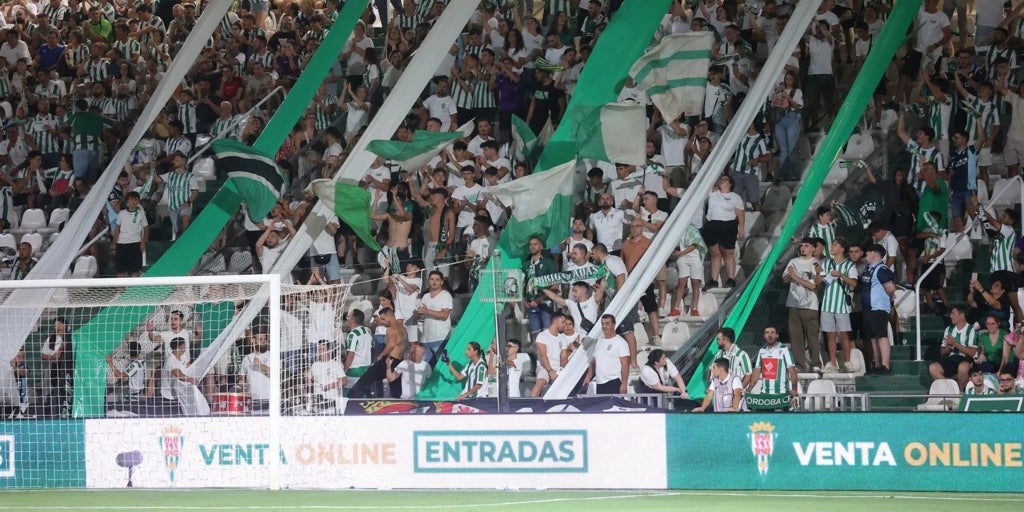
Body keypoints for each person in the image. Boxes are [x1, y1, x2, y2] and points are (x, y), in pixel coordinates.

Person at [782, 237, 822, 371]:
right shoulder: (793, 261)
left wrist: (796, 277)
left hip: (810, 305)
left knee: (812, 337)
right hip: (793, 304)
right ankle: (799, 364)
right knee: (796, 337)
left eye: (806, 246)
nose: (803, 248)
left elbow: (814, 285)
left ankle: (816, 364)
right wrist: (790, 275)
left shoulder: (816, 264)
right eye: (802, 245)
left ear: (813, 249)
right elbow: (785, 280)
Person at [350, 308, 408, 399]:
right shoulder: (403, 329)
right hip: (399, 361)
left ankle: (356, 402)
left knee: (363, 381)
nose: (382, 322)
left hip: (389, 361)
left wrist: (380, 355)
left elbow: (391, 345)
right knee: (396, 389)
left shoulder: (391, 329)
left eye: (383, 319)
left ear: (390, 317)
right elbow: (406, 346)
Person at [821, 238, 858, 373]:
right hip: (827, 304)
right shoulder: (826, 263)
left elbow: (854, 283)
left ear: (842, 249)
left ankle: (847, 362)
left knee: (844, 334)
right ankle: (832, 363)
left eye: (835, 245)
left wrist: (841, 275)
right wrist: (819, 274)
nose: (832, 247)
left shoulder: (849, 265)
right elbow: (822, 282)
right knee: (830, 335)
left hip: (842, 305)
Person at [860, 243, 896, 375]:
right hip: (868, 308)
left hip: (878, 308)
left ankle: (885, 365)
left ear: (875, 254)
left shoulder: (882, 269)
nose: (866, 254)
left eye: (868, 252)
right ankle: (877, 364)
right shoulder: (869, 268)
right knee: (873, 337)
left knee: (881, 336)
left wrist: (888, 298)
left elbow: (891, 288)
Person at [703, 175, 744, 289]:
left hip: (728, 224)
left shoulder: (735, 197)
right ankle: (714, 280)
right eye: (721, 178)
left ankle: (731, 278)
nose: (721, 180)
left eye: (725, 179)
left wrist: (741, 228)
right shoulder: (712, 193)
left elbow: (740, 213)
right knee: (714, 253)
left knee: (728, 253)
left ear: (730, 183)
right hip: (712, 224)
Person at [748, 325, 799, 410]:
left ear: (777, 335)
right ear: (764, 336)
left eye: (772, 332)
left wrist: (794, 389)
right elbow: (756, 372)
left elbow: (792, 372)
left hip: (781, 395)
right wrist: (749, 389)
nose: (770, 335)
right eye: (767, 333)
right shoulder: (762, 351)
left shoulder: (785, 350)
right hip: (765, 395)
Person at [928, 306, 978, 391]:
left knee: (963, 367)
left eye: (953, 314)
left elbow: (972, 353)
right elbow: (942, 352)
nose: (950, 316)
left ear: (962, 315)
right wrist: (949, 347)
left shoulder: (971, 329)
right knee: (933, 367)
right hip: (951, 359)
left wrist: (955, 343)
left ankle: (960, 391)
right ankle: (951, 390)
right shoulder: (949, 329)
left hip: (965, 359)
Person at [583, 315, 630, 395]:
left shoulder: (621, 342)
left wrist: (624, 383)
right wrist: (588, 376)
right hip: (599, 383)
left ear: (613, 325)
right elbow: (594, 361)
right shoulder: (599, 342)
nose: (604, 326)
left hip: (614, 382)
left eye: (607, 323)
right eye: (603, 323)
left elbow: (625, 364)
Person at [670, 222, 707, 317]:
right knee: (681, 283)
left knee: (695, 283)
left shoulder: (692, 228)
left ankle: (695, 309)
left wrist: (680, 253)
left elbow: (694, 244)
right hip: (683, 259)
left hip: (694, 258)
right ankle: (676, 308)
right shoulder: (678, 230)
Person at [417, 270, 453, 362]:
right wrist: (418, 313)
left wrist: (427, 311)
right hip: (425, 339)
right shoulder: (425, 296)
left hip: (440, 338)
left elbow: (445, 315)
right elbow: (421, 315)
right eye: (432, 279)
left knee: (442, 365)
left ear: (442, 282)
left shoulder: (446, 295)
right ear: (428, 281)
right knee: (424, 367)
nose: (434, 282)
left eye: (437, 280)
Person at [39, 317, 73, 417]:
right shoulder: (51, 339)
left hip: (70, 367)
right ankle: (58, 411)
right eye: (55, 325)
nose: (57, 327)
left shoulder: (71, 337)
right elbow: (42, 355)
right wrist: (53, 357)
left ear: (65, 325)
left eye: (59, 324)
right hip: (56, 367)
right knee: (58, 389)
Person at [112, 191, 148, 277]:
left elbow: (146, 229)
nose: (133, 202)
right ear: (127, 201)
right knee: (120, 270)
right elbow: (117, 229)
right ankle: (120, 286)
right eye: (131, 199)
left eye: (135, 200)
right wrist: (114, 242)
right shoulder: (121, 213)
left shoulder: (141, 214)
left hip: (135, 243)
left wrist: (143, 243)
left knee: (135, 270)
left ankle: (134, 286)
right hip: (121, 243)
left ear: (138, 201)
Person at [531, 312, 567, 397]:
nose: (564, 325)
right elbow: (543, 356)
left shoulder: (563, 338)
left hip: (558, 368)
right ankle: (530, 403)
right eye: (563, 322)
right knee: (540, 382)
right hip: (545, 367)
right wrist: (550, 371)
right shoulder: (542, 336)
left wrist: (561, 370)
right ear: (555, 322)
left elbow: (564, 357)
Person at [307, 340, 347, 412]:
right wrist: (307, 378)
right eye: (319, 350)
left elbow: (344, 381)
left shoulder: (335, 364)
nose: (320, 352)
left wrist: (329, 386)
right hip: (317, 401)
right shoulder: (314, 365)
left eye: (322, 349)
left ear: (329, 350)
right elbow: (309, 383)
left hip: (331, 401)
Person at [240, 329, 271, 404]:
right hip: (251, 399)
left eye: (265, 339)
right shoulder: (247, 358)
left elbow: (277, 374)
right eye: (260, 339)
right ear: (254, 341)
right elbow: (241, 375)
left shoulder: (272, 355)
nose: (263, 341)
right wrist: (241, 381)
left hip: (268, 398)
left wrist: (260, 365)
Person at [344, 310, 372, 383]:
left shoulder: (353, 334)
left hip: (355, 370)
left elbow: (351, 353)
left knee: (350, 389)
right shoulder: (368, 331)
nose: (347, 319)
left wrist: (345, 369)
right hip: (366, 368)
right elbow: (372, 349)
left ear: (352, 320)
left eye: (348, 316)